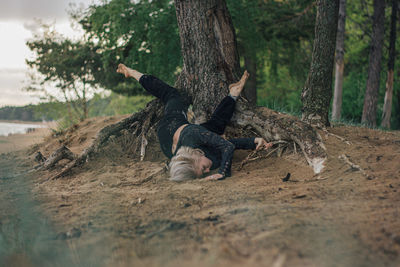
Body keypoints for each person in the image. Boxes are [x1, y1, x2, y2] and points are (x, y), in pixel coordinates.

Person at [117, 64, 271, 181]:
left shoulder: (193, 136)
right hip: (179, 146)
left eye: (203, 168)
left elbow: (227, 146)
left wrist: (223, 173)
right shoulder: (207, 161)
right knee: (215, 128)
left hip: (170, 126)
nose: (207, 171)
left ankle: (132, 73)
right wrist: (255, 141)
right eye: (203, 173)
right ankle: (233, 94)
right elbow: (227, 146)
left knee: (172, 95)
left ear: (195, 157)